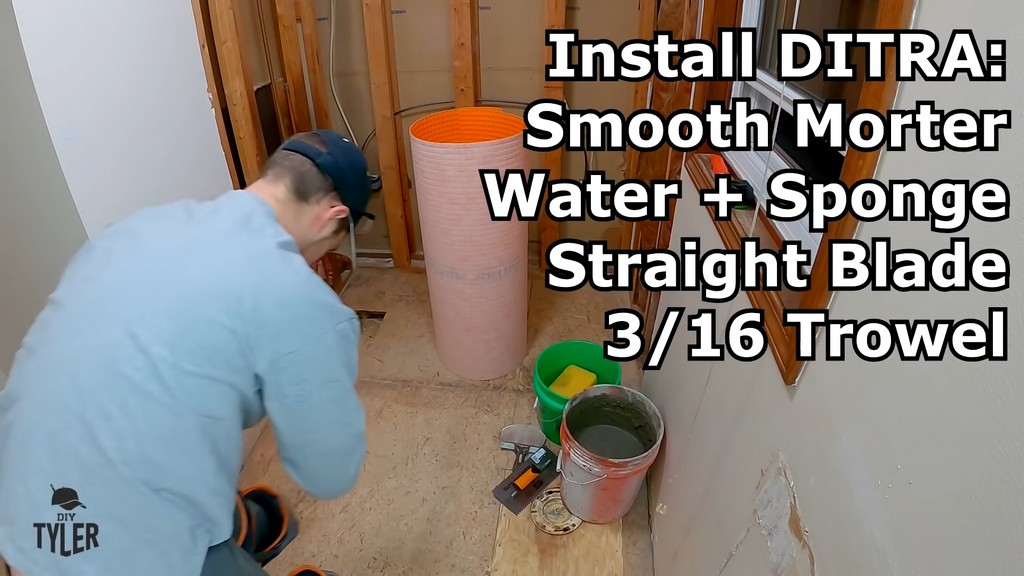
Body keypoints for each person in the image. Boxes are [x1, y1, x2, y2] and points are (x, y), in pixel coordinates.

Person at [0, 130, 372, 576]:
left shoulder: (138, 230)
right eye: (330, 245)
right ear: (333, 215)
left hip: (19, 512)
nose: (318, 260)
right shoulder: (301, 300)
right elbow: (327, 472)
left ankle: (236, 530)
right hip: (110, 554)